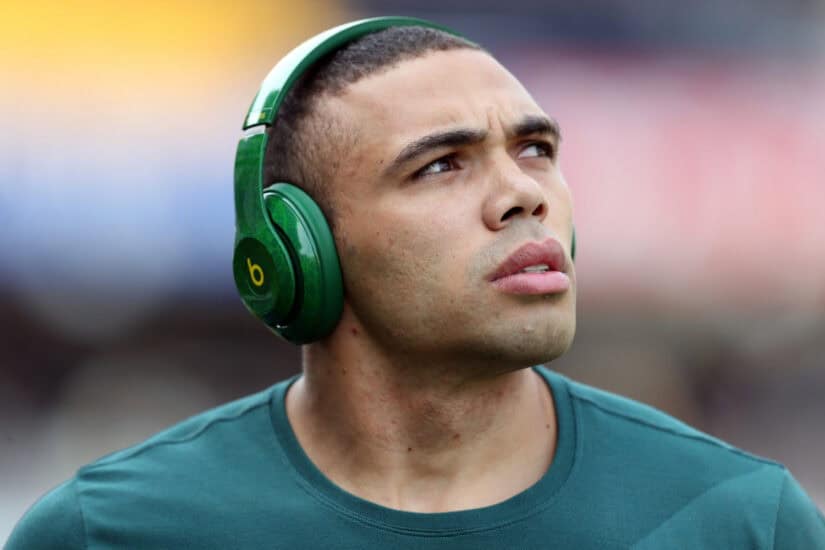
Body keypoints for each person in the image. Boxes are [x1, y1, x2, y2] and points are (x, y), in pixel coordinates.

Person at [7, 17, 825, 549]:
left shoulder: (744, 521)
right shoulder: (106, 532)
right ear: (298, 249)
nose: (523, 194)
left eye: (534, 150)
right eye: (439, 165)